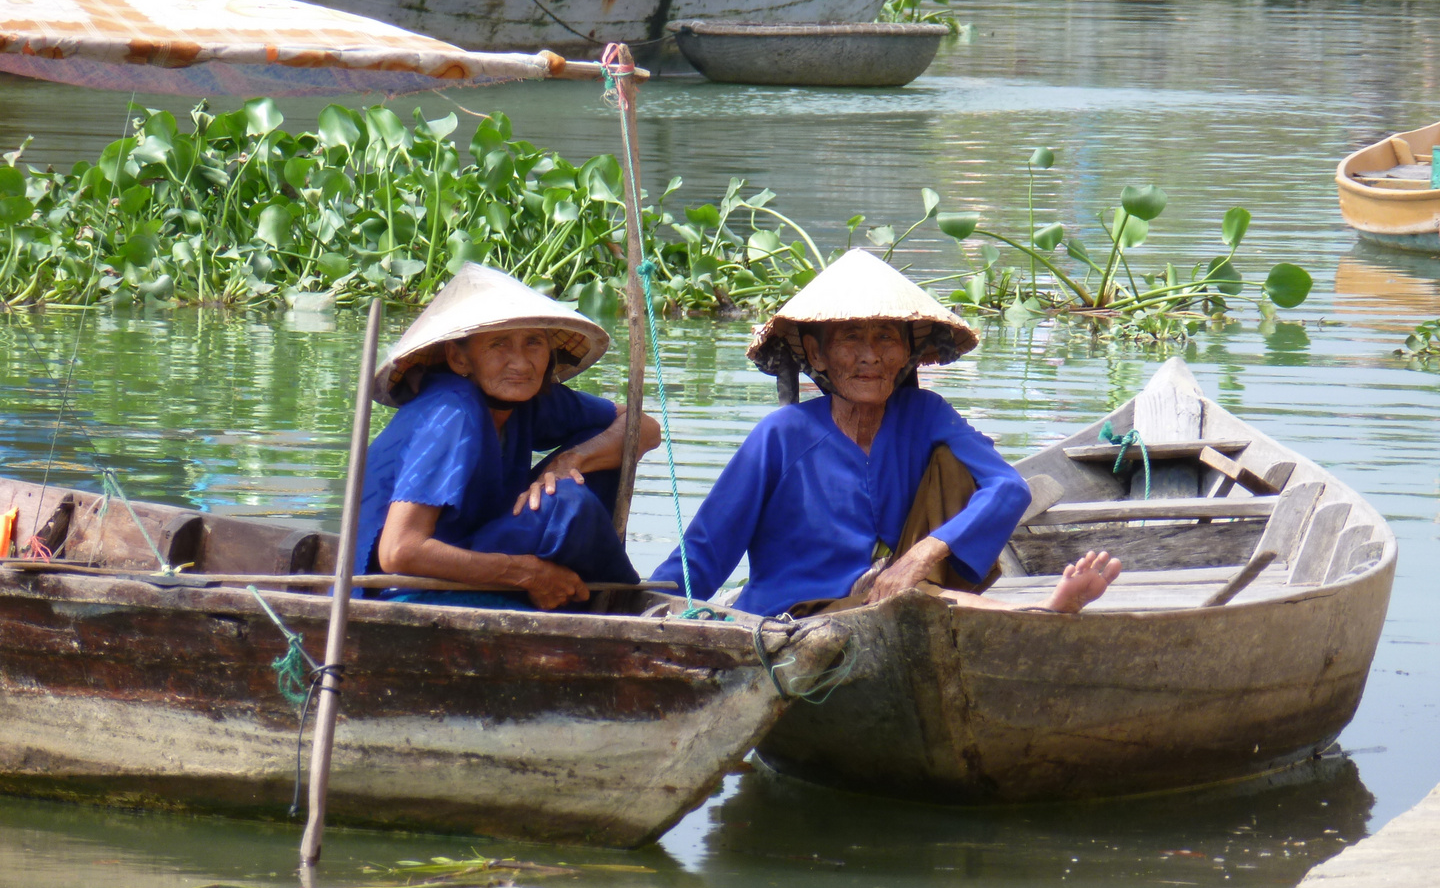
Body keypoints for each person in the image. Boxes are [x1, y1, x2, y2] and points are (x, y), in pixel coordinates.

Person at [653, 249, 1120, 617]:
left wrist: (920, 556)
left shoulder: (925, 413)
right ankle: (1032, 613)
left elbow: (1008, 488)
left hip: (901, 593)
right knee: (906, 605)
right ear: (817, 355)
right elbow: (705, 552)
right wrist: (644, 606)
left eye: (885, 339)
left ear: (906, 355)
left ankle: (1031, 613)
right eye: (851, 338)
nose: (870, 356)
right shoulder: (781, 435)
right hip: (794, 618)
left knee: (956, 480)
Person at [356, 263, 659, 611]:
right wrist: (527, 574)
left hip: (477, 552)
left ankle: (592, 595)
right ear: (459, 358)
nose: (521, 363)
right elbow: (399, 551)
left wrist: (571, 461)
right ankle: (602, 598)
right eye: (499, 345)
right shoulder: (451, 413)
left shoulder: (528, 400)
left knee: (597, 455)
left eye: (533, 343)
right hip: (400, 590)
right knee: (567, 505)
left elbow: (644, 429)